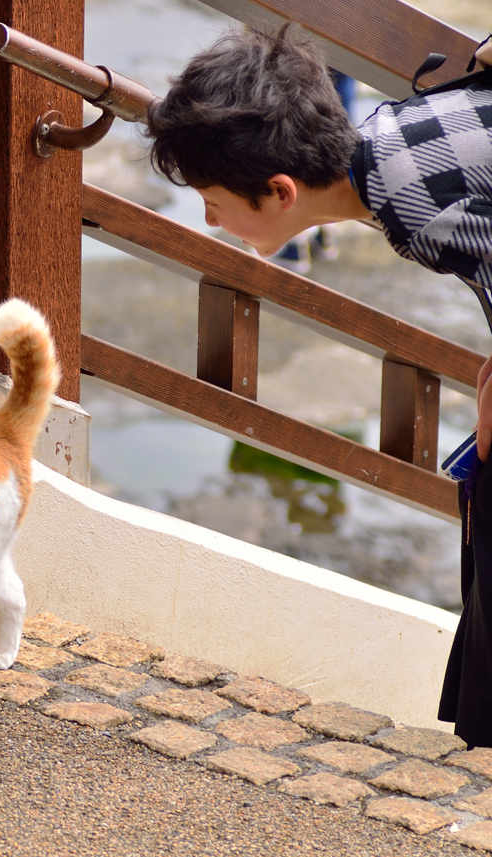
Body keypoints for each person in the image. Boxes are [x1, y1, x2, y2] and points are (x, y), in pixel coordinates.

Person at [146, 24, 492, 747]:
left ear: (279, 191)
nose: (209, 220)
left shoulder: (414, 212)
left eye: (212, 202)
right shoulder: (392, 133)